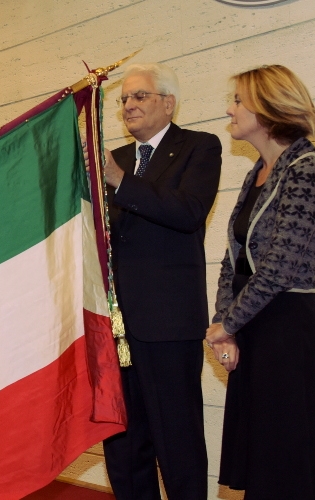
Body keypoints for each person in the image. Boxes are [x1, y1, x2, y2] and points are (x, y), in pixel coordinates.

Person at [206, 64, 315, 498]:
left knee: (286, 461)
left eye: (238, 101)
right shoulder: (258, 173)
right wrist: (224, 324)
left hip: (287, 328)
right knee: (264, 459)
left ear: (266, 110)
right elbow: (234, 260)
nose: (229, 109)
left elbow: (279, 267)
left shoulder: (304, 170)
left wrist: (229, 324)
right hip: (255, 326)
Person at [99, 62, 222, 500]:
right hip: (116, 327)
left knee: (178, 442)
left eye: (139, 96)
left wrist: (119, 180)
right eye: (124, 100)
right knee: (123, 442)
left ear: (167, 103)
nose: (129, 105)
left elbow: (187, 212)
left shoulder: (199, 148)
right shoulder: (116, 159)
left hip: (169, 325)